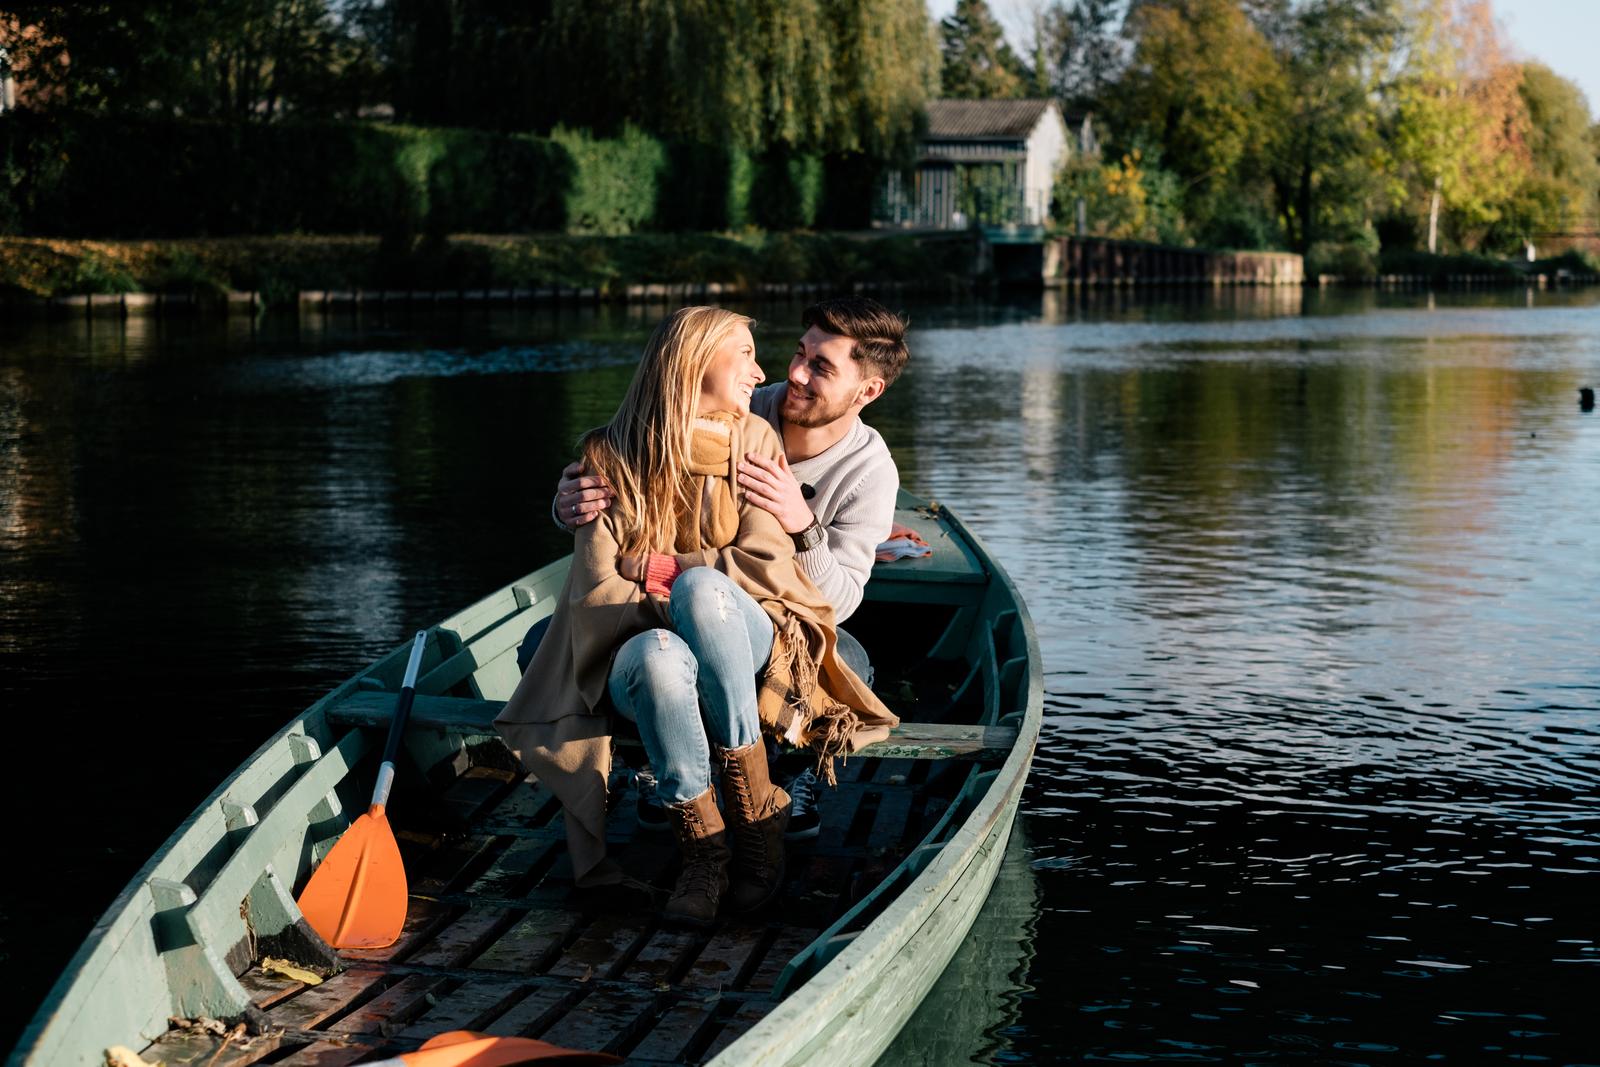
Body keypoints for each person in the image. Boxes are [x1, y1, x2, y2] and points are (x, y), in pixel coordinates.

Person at [496, 306, 899, 927]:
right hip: (655, 632)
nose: (788, 373)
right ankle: (700, 841)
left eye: (820, 367)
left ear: (866, 391)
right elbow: (603, 562)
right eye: (797, 352)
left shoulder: (863, 468)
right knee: (581, 646)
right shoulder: (729, 405)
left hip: (764, 625)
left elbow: (834, 601)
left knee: (843, 655)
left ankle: (768, 792)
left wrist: (801, 525)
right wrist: (567, 506)